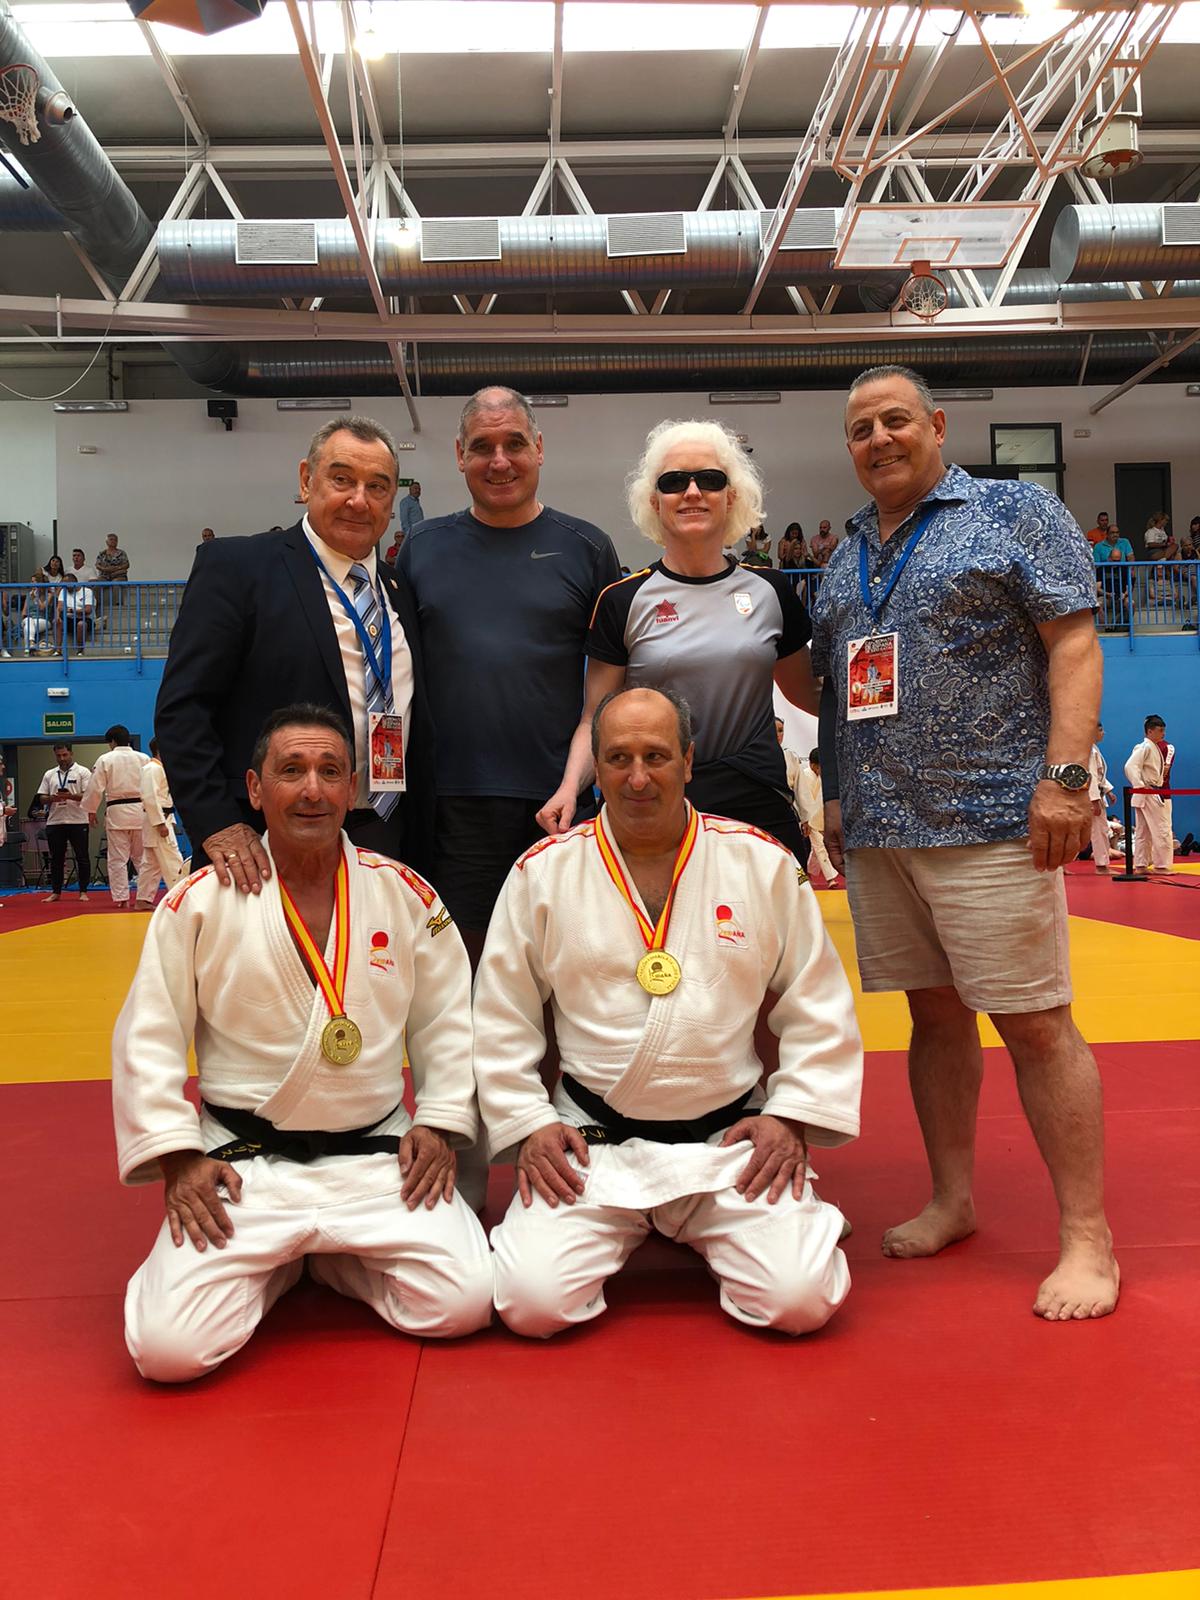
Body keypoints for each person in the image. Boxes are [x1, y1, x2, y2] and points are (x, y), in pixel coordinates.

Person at [812, 363, 1118, 1322]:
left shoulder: (1013, 514)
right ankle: (953, 1198)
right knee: (933, 1020)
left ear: (937, 424)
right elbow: (834, 691)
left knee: (1034, 1022)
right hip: (880, 826)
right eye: (861, 429)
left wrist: (1065, 778)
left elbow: (1072, 643)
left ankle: (1087, 1237)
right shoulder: (844, 552)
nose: (879, 440)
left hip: (991, 818)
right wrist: (836, 798)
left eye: (895, 420)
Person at [113, 704, 492, 1383]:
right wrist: (177, 1159)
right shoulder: (197, 902)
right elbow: (150, 1035)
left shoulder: (405, 894)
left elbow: (449, 1022)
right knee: (169, 1352)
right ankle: (283, 1261)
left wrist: (438, 1120)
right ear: (256, 790)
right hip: (240, 1164)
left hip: (374, 1157)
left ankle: (325, 1256)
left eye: (329, 772)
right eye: (291, 771)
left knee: (463, 1303)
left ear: (352, 787)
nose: (312, 789)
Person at [474, 686, 862, 1338]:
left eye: (656, 755)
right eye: (618, 757)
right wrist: (528, 1121)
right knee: (530, 1304)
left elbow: (817, 999)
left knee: (799, 1301)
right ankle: (654, 1220)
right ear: (595, 768)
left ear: (688, 760)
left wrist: (792, 1116)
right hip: (592, 1144)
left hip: (730, 1142)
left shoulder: (760, 864)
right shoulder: (542, 874)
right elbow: (500, 1013)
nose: (637, 776)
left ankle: (777, 1214)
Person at [155, 416, 436, 889]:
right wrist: (217, 823)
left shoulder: (398, 586)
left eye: (377, 486)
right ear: (307, 480)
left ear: (392, 503)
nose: (358, 499)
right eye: (342, 479)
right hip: (262, 845)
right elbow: (184, 709)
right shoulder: (238, 568)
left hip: (387, 835)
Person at [398, 386, 619, 956]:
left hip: (559, 806)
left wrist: (581, 784)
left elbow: (607, 700)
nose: (500, 461)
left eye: (514, 443)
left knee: (564, 977)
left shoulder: (587, 548)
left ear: (539, 448)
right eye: (482, 446)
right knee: (462, 977)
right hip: (452, 807)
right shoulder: (421, 548)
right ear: (459, 455)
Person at [542, 419, 819, 861]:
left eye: (709, 480)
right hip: (650, 801)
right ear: (654, 501)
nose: (692, 492)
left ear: (732, 496)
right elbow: (593, 718)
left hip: (755, 801)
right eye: (674, 482)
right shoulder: (622, 600)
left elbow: (810, 697)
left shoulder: (773, 592)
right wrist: (568, 789)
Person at [85, 724, 151, 909]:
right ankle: (145, 897)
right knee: (142, 858)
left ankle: (122, 898)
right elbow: (151, 785)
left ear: (112, 741)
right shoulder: (143, 758)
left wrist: (91, 810)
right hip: (141, 812)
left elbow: (95, 787)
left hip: (117, 814)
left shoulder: (106, 759)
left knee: (117, 859)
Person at [37, 742, 92, 903]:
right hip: (55, 821)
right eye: (58, 755)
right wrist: (53, 798)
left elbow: (87, 795)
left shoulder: (82, 772)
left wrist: (69, 796)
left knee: (82, 856)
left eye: (65, 755)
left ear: (71, 754)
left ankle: (83, 891)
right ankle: (56, 892)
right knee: (56, 858)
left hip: (78, 820)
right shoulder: (49, 774)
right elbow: (41, 798)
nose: (62, 758)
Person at [1124, 715, 1175, 875]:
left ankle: (1140, 865)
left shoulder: (1151, 746)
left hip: (1147, 792)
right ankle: (1161, 866)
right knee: (1162, 829)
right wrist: (1139, 785)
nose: (1163, 734)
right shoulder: (1144, 747)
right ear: (1150, 731)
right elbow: (1130, 766)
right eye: (1160, 730)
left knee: (1143, 831)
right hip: (1148, 791)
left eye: (1164, 731)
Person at [139, 737, 186, 902]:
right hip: (158, 820)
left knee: (151, 864)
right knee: (172, 858)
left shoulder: (159, 769)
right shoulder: (152, 769)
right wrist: (159, 823)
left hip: (161, 818)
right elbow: (149, 796)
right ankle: (181, 896)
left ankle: (143, 899)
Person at [797, 747, 841, 887]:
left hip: (817, 817)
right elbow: (800, 799)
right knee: (820, 846)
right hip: (806, 817)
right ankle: (830, 878)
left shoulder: (822, 778)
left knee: (817, 848)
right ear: (812, 765)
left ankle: (809, 870)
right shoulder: (804, 776)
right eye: (819, 767)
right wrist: (805, 819)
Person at [1093, 524, 1134, 629]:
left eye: (1119, 560)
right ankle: (1107, 627)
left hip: (1121, 596)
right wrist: (1108, 594)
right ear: (1109, 558)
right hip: (1107, 596)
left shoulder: (1124, 569)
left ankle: (1121, 625)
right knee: (1097, 604)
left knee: (1131, 603)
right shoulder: (1102, 569)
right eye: (1114, 560)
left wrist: (1124, 595)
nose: (1117, 562)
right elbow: (1097, 588)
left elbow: (1129, 587)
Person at [1087, 722, 1114, 873]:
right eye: (1101, 729)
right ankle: (1101, 866)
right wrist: (1095, 800)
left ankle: (1062, 865)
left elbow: (1098, 776)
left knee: (1094, 831)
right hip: (1092, 797)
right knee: (1098, 831)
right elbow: (1091, 776)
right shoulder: (1089, 751)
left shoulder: (1093, 749)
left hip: (1096, 793)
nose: (1103, 732)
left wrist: (1108, 790)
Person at [56, 572, 95, 653]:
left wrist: (72, 610)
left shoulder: (87, 591)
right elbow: (60, 607)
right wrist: (57, 616)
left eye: (67, 584)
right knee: (56, 622)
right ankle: (58, 650)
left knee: (81, 624)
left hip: (85, 619)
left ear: (74, 582)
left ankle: (80, 650)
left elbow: (88, 610)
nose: (65, 587)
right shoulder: (64, 590)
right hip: (69, 618)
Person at [21, 570, 53, 653]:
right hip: (29, 619)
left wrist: (36, 597)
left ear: (40, 583)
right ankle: (31, 642)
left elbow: (42, 608)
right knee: (29, 621)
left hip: (43, 620)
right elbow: (24, 612)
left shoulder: (49, 595)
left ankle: (27, 650)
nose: (31, 584)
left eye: (33, 582)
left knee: (28, 626)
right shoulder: (29, 594)